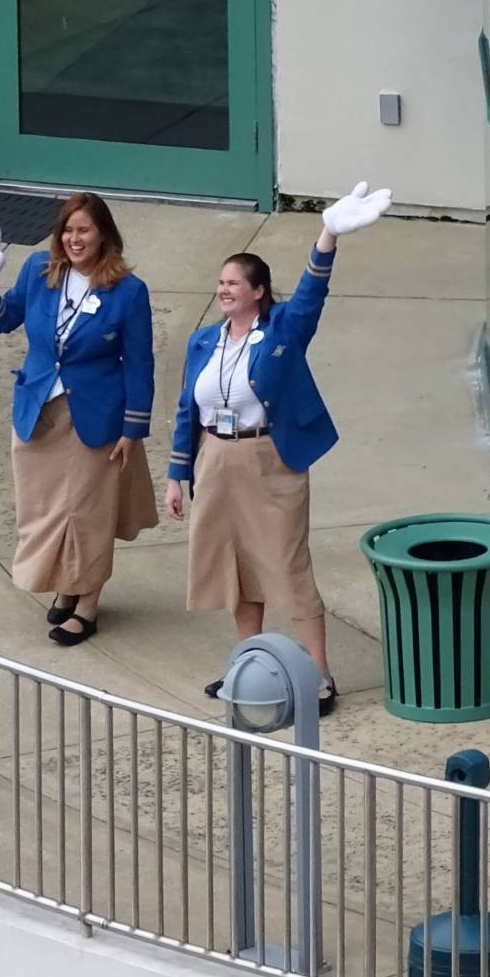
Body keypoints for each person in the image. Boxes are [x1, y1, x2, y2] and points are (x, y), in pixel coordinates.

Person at [164, 182, 394, 718]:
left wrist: (327, 235)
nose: (223, 290)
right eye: (220, 282)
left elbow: (313, 294)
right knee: (237, 568)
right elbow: (185, 410)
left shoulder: (284, 328)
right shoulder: (205, 340)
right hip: (216, 461)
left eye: (233, 283)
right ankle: (247, 663)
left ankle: (318, 674)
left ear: (259, 290)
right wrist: (177, 475)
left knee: (288, 565)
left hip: (270, 459)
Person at [0, 194, 158, 645]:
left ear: (103, 233)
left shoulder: (128, 291)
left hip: (95, 415)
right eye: (68, 230)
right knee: (43, 509)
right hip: (38, 408)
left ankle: (87, 603)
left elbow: (139, 365)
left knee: (87, 512)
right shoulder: (39, 270)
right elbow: (5, 320)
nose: (74, 239)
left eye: (83, 230)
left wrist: (133, 429)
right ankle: (66, 586)